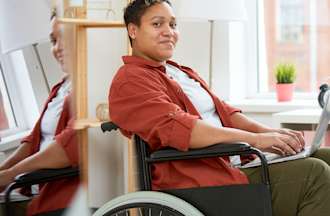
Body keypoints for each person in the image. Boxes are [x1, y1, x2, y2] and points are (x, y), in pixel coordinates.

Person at [108, 0, 330, 216]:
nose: (169, 31)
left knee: (325, 156)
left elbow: (225, 112)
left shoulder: (180, 71)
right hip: (204, 179)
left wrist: (269, 133)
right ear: (133, 30)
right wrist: (258, 141)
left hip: (233, 161)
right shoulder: (131, 80)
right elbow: (186, 129)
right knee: (315, 174)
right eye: (157, 24)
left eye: (173, 24)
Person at [0, 9, 79, 216]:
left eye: (65, 37)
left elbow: (69, 146)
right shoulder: (60, 87)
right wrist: (2, 172)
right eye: (53, 40)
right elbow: (33, 139)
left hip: (64, 192)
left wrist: (11, 174)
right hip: (34, 186)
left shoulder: (93, 86)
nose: (58, 48)